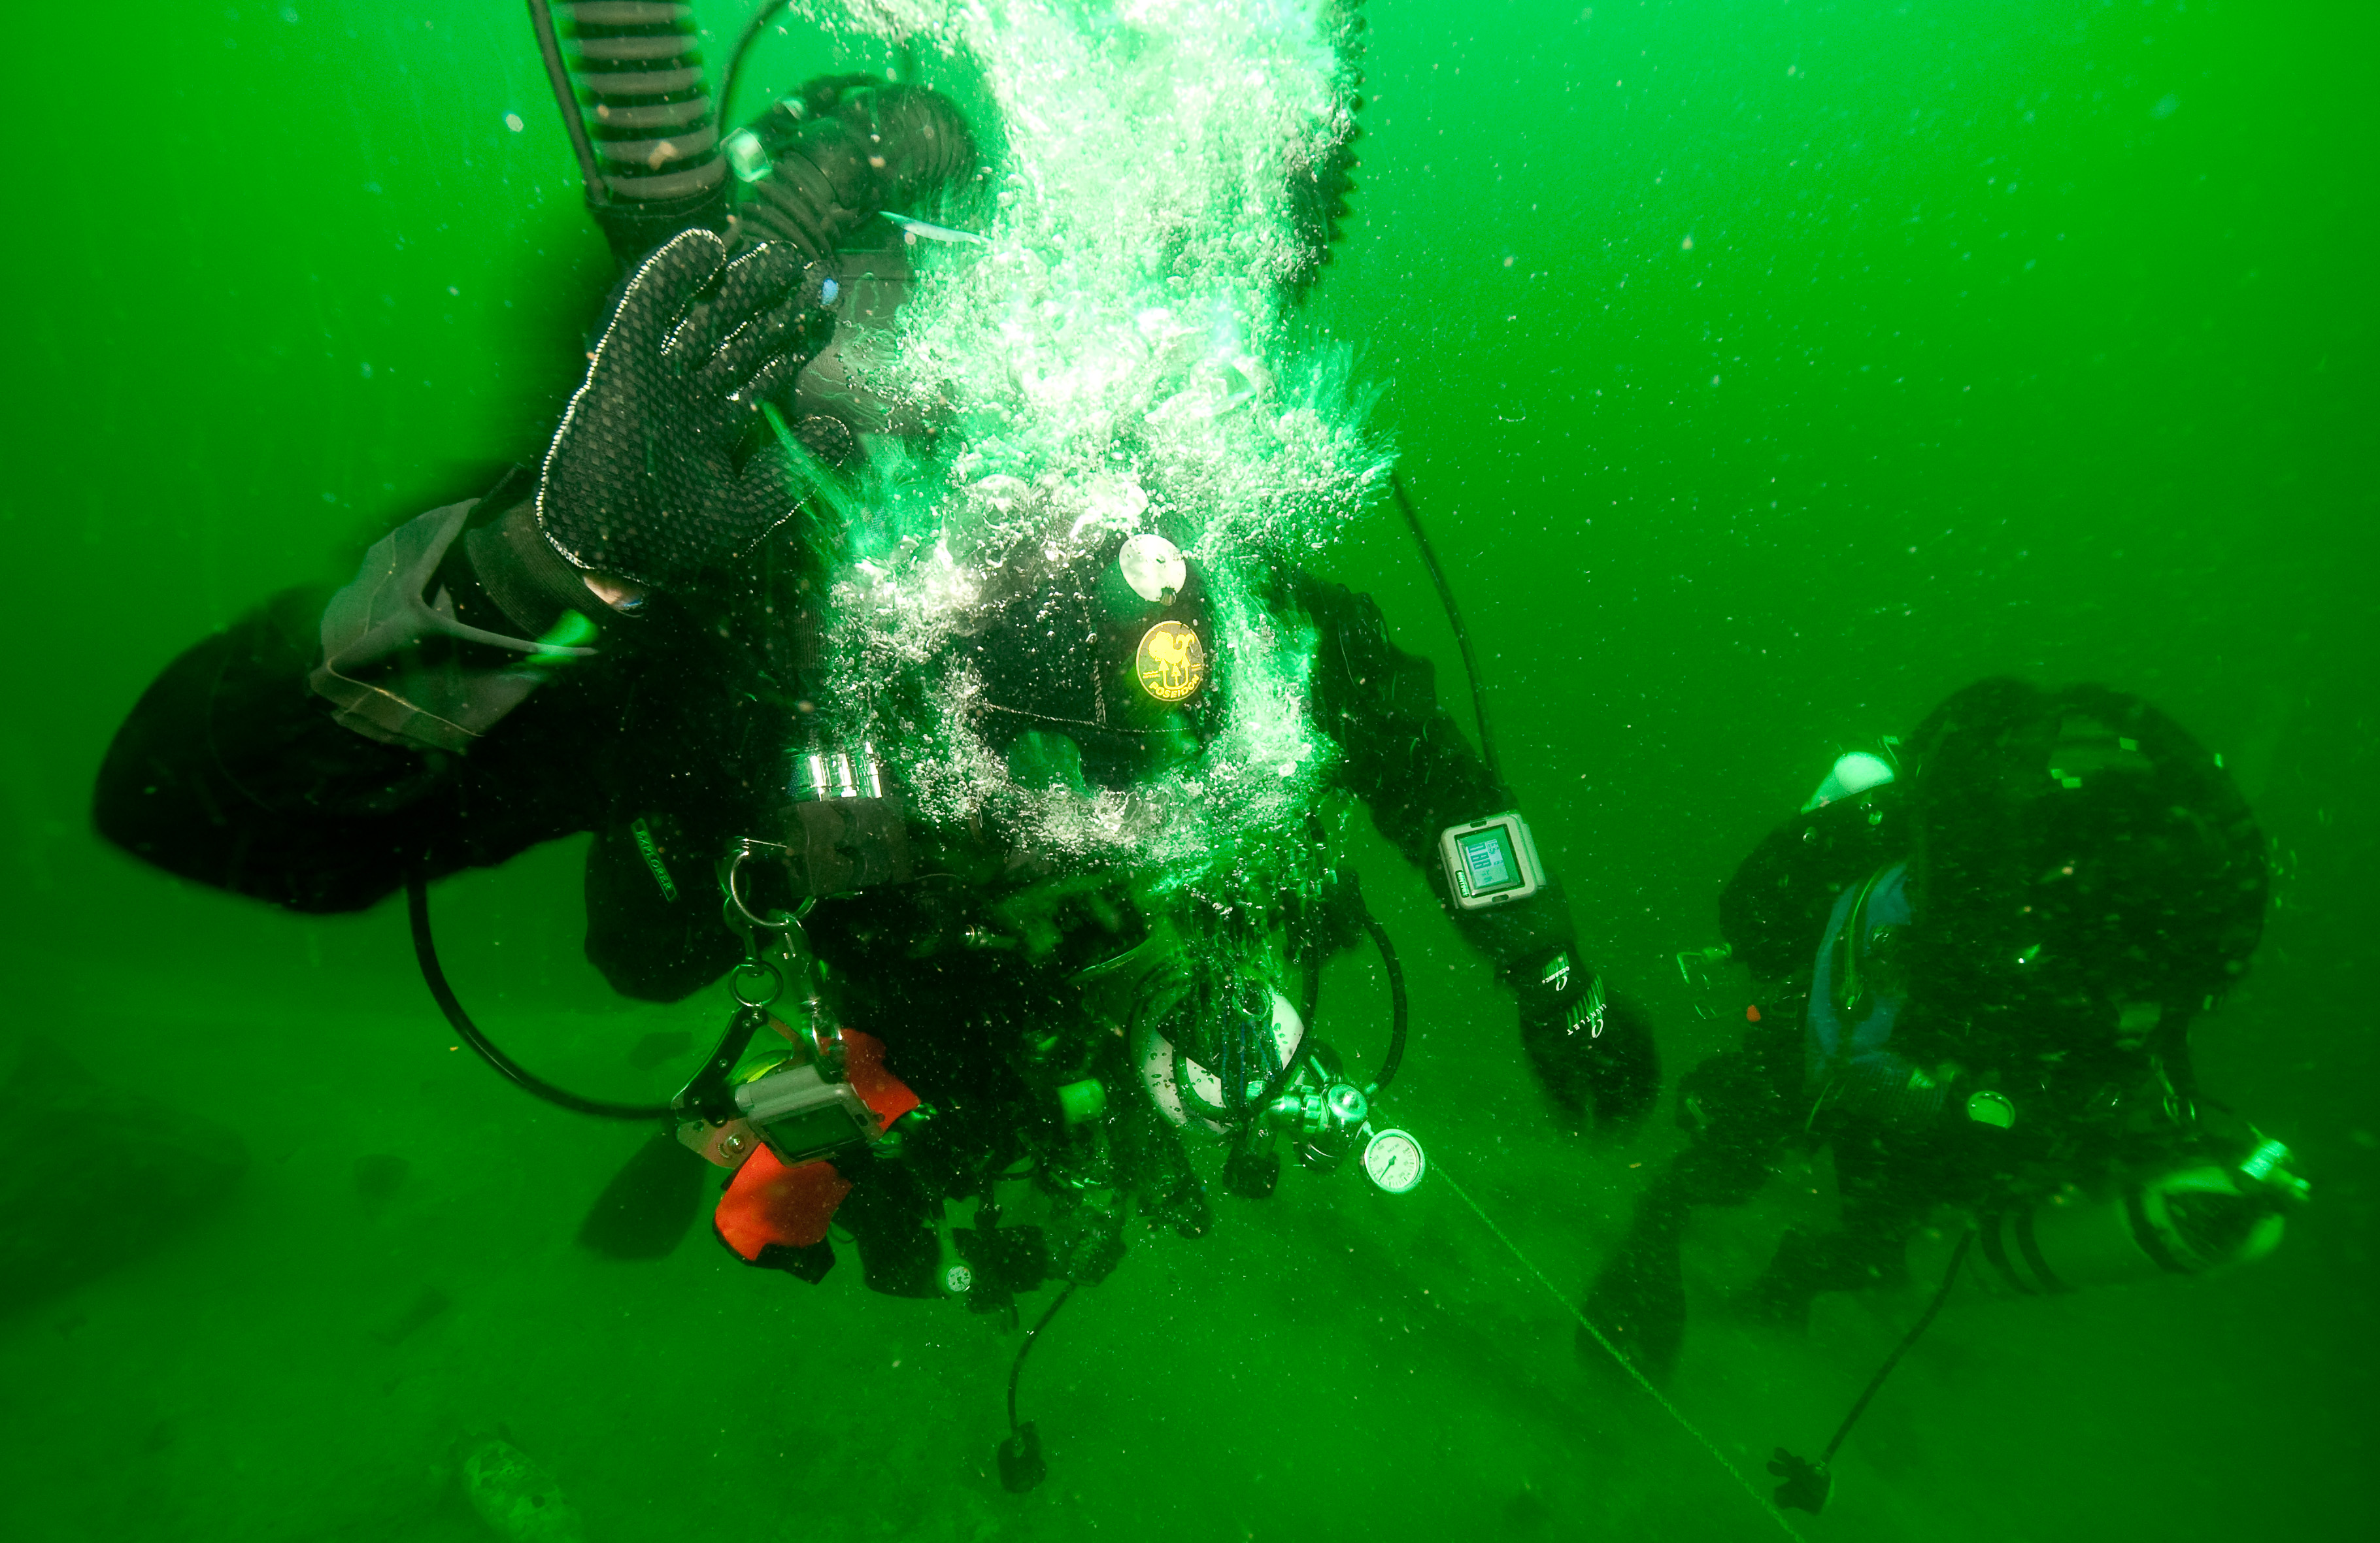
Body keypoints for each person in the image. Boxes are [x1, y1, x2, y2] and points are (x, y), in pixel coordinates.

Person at [92, 8, 1656, 1313]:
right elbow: (177, 803)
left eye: (974, 316)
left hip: (1112, 1023)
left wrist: (1556, 984)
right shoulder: (732, 649)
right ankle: (756, 1137)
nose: (952, 404)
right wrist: (554, 560)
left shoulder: (1203, 599)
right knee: (776, 1116)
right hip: (871, 1022)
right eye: (875, 341)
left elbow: (1424, 769)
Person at [1581, 677, 2305, 1384]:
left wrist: (2152, 1126)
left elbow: (2109, 1033)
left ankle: (1782, 1290)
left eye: (2039, 761)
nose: (2036, 783)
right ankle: (1647, 1254)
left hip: (1928, 1073)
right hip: (1820, 1052)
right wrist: (1966, 1110)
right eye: (2017, 760)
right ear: (1976, 762)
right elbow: (1843, 1059)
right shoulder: (1912, 879)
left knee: (1880, 1249)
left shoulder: (2048, 896)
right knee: (1726, 1164)